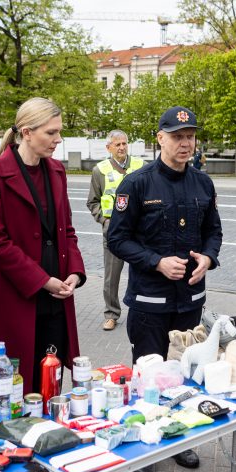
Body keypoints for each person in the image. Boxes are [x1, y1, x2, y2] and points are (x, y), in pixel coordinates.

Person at [107, 106, 222, 472]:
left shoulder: (203, 184)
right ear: (160, 139)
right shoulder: (137, 184)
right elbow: (117, 238)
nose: (186, 143)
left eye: (190, 136)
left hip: (189, 301)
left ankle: (178, 438)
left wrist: (208, 256)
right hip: (149, 303)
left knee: (184, 374)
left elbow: (213, 232)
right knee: (150, 375)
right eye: (177, 136)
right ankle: (143, 446)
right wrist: (156, 262)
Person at [0, 97, 86, 396]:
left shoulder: (57, 171)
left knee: (50, 380)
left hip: (56, 295)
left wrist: (74, 271)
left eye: (59, 132)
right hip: (14, 295)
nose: (58, 139)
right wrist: (42, 280)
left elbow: (67, 231)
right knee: (12, 389)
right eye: (51, 133)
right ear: (27, 132)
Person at [86, 130, 145, 331]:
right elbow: (92, 202)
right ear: (108, 147)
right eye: (117, 144)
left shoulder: (140, 166)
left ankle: (142, 310)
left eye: (124, 144)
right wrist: (104, 221)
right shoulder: (99, 171)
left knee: (144, 272)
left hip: (139, 233)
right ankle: (111, 314)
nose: (121, 147)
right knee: (112, 277)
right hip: (114, 233)